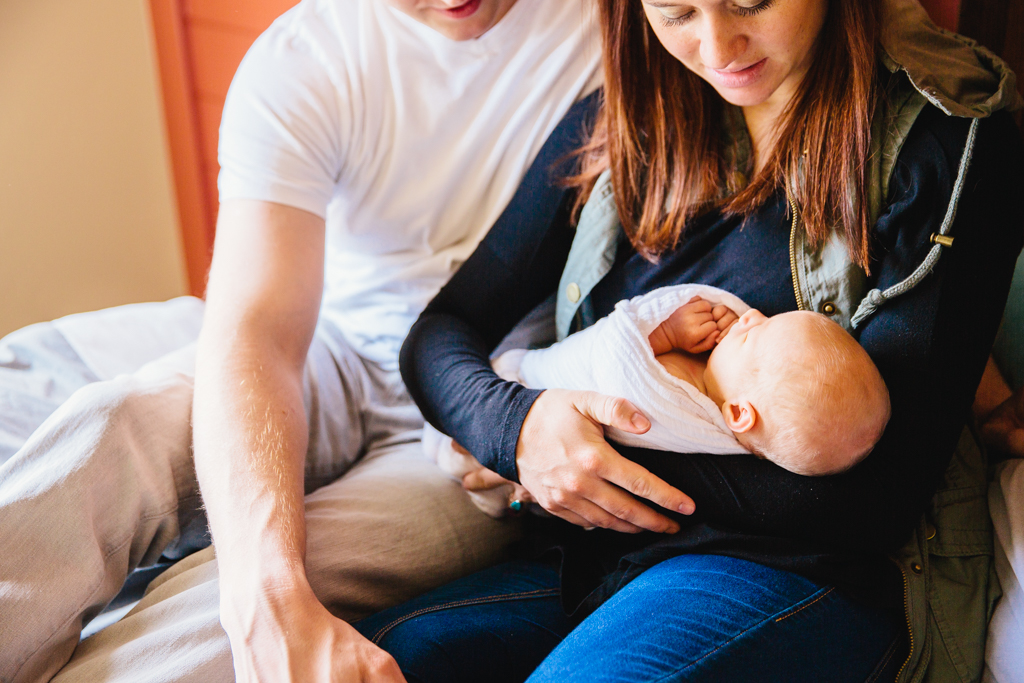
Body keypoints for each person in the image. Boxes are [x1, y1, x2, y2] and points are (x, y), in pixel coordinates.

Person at [350, 0, 1024, 681]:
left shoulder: (945, 135)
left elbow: (875, 498)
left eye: (749, 2)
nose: (718, 47)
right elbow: (440, 332)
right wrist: (520, 431)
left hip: (805, 570)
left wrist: (595, 452)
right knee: (371, 659)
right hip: (598, 560)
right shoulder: (624, 125)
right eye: (676, 13)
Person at [0, 1, 605, 682]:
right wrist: (265, 585)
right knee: (117, 427)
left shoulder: (620, 30)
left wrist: (284, 597)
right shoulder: (305, 60)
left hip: (474, 415)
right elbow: (256, 330)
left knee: (219, 612)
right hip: (334, 350)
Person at [427, 284, 890, 519]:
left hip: (518, 387)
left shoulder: (673, 395)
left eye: (755, 334)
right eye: (765, 318)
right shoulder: (728, 409)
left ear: (739, 415)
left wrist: (664, 330)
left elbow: (618, 356)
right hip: (496, 405)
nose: (750, 315)